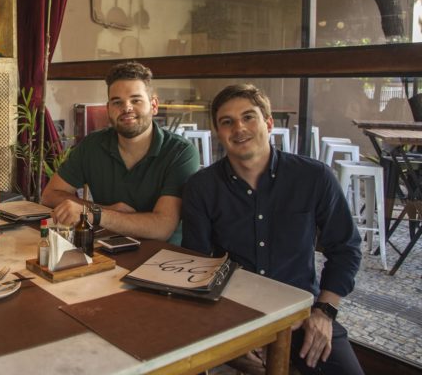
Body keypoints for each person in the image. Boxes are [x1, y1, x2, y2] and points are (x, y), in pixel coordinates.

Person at [181, 83, 363, 375]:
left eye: (248, 117)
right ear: (218, 132)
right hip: (233, 317)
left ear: (268, 123)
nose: (239, 128)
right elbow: (199, 267)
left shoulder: (314, 177)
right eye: (227, 122)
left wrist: (325, 312)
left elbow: (346, 248)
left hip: (302, 316)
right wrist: (230, 340)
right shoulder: (201, 187)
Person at [42, 61, 200, 242]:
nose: (126, 108)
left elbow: (162, 227)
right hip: (107, 248)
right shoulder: (93, 144)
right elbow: (50, 194)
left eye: (136, 100)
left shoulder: (180, 152)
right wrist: (101, 210)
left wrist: (96, 214)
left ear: (154, 105)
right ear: (108, 109)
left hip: (162, 259)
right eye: (117, 102)